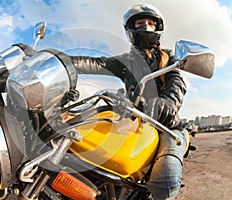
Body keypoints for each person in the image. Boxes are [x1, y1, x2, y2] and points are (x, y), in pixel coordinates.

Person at [68, 3, 188, 200]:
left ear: (158, 29)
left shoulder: (169, 59)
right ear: (131, 29)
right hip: (134, 122)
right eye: (141, 23)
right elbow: (96, 63)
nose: (146, 26)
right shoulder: (126, 61)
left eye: (151, 23)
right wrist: (56, 59)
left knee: (166, 180)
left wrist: (163, 105)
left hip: (167, 126)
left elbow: (176, 87)